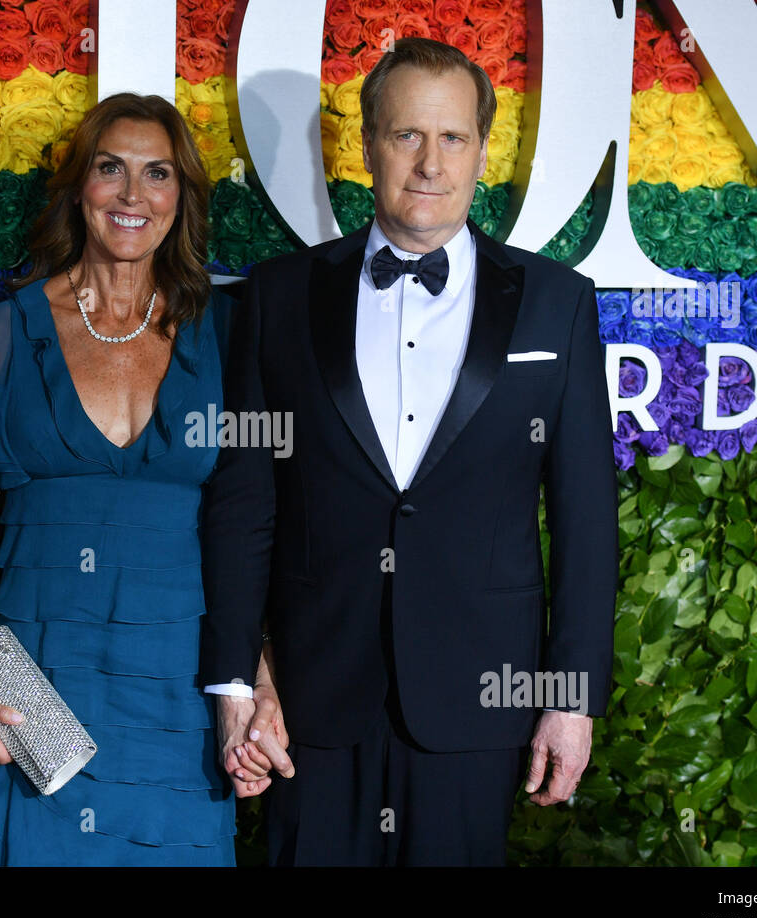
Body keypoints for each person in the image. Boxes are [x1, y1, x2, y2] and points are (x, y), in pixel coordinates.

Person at [201, 37, 619, 865]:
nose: (430, 163)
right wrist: (236, 684)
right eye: (406, 136)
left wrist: (572, 700)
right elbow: (246, 500)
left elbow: (585, 519)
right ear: (366, 146)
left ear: (482, 151)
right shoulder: (279, 296)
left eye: (453, 138)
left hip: (480, 703)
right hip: (309, 706)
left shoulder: (556, 305)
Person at [0, 92, 280, 865]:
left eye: (158, 174)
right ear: (80, 188)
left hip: (181, 696)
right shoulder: (7, 333)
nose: (133, 195)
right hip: (40, 686)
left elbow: (247, 526)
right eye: (112, 169)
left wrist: (259, 683)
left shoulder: (228, 335)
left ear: (182, 198)